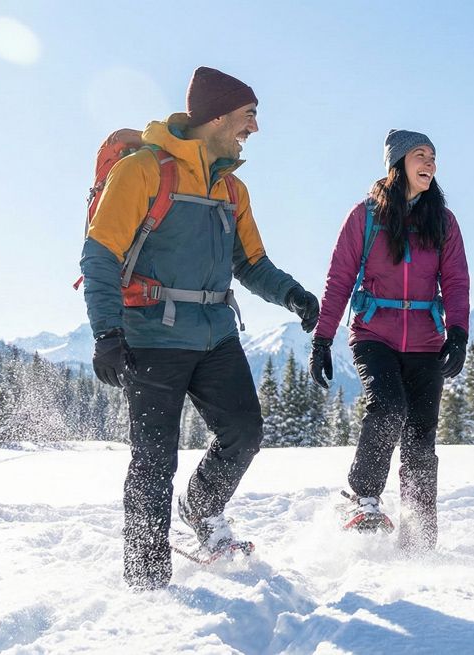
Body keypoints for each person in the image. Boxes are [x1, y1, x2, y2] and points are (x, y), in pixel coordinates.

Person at [81, 67, 320, 590]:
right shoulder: (145, 170)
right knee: (152, 461)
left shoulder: (233, 189)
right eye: (248, 116)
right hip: (151, 338)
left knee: (244, 432)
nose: (253, 128)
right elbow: (99, 255)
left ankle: (203, 507)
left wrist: (294, 295)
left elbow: (252, 263)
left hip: (215, 336)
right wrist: (106, 332)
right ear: (217, 116)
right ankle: (147, 583)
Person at [309, 129, 470, 553]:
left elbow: (455, 280)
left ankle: (418, 537)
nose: (430, 164)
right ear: (397, 164)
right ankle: (362, 497)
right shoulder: (365, 217)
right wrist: (322, 338)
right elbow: (339, 278)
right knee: (388, 407)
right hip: (374, 333)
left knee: (421, 436)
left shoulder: (443, 221)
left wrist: (458, 332)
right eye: (421, 155)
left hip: (425, 339)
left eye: (434, 156)